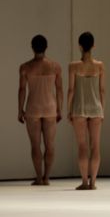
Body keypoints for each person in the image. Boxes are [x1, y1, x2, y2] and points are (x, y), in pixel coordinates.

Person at [18, 34, 63, 185]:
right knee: (50, 145)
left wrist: (20, 110)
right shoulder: (55, 66)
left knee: (35, 145)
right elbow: (59, 89)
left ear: (32, 47)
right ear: (46, 47)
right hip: (50, 108)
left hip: (33, 108)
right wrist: (60, 109)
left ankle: (38, 178)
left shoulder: (25, 67)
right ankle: (47, 177)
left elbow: (22, 90)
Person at [67, 32, 105, 190]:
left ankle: (84, 181)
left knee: (82, 146)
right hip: (96, 108)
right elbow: (102, 90)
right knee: (95, 146)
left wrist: (68, 110)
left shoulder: (73, 66)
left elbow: (71, 90)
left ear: (80, 46)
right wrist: (103, 109)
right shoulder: (100, 66)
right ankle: (93, 182)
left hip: (79, 108)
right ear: (93, 45)